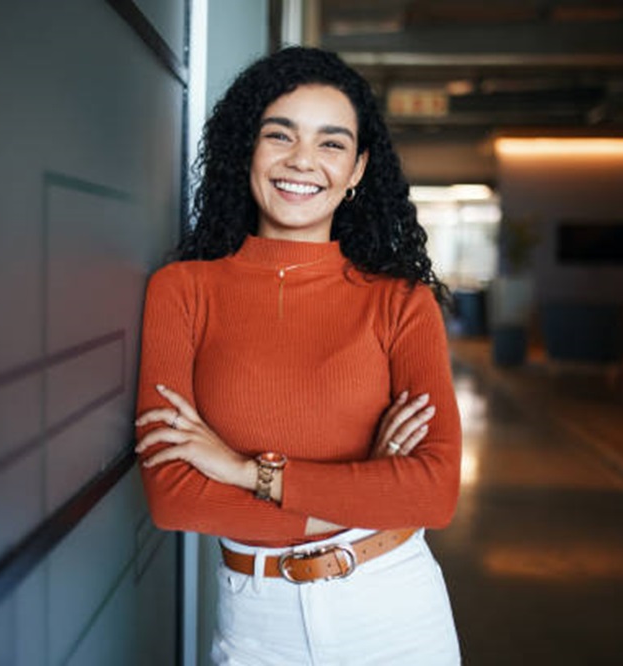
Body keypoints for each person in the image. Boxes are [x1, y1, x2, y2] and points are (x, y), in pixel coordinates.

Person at [134, 46, 461, 665]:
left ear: (359, 168)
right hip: (257, 619)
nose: (302, 161)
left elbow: (433, 493)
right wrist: (363, 486)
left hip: (394, 611)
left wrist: (241, 471)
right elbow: (174, 495)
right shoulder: (182, 291)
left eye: (331, 143)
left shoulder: (401, 304)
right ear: (247, 150)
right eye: (279, 135)